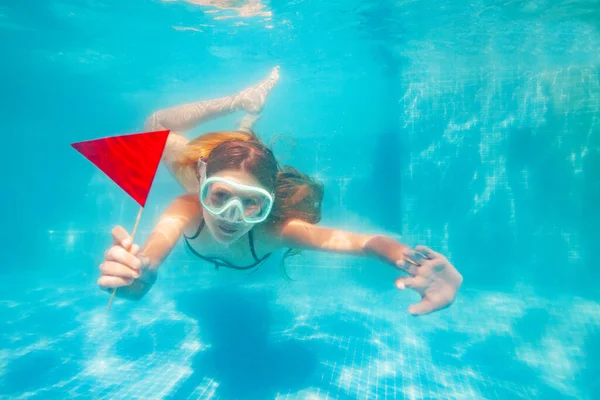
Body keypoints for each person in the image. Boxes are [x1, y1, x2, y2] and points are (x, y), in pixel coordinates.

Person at [98, 67, 463, 316]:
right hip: (217, 172)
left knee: (239, 149)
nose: (231, 217)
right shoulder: (189, 205)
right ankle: (241, 104)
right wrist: (141, 271)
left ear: (267, 203)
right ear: (202, 183)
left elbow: (363, 243)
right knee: (155, 126)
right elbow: (152, 254)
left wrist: (404, 258)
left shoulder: (275, 230)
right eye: (220, 197)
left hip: (235, 173)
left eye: (252, 204)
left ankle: (246, 125)